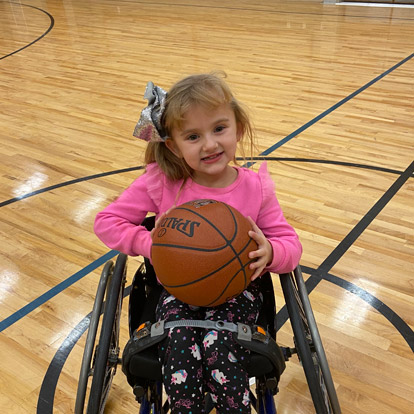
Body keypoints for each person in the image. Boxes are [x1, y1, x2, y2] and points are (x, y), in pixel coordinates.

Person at [94, 72, 302, 413]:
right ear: (173, 145)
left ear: (238, 127)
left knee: (220, 341)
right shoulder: (161, 181)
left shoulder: (257, 188)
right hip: (175, 291)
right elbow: (106, 222)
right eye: (193, 136)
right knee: (177, 339)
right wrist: (151, 245)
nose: (209, 144)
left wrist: (271, 252)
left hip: (240, 291)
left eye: (219, 128)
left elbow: (290, 245)